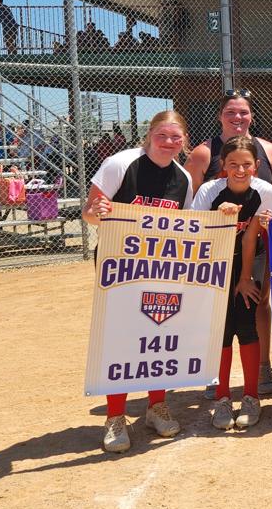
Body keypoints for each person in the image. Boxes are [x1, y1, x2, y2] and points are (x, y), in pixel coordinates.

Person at [81, 110, 195, 453]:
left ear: (184, 141)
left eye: (176, 137)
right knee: (121, 339)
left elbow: (185, 226)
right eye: (162, 135)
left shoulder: (183, 178)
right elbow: (89, 212)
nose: (169, 142)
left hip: (162, 267)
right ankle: (115, 416)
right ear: (149, 135)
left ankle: (156, 406)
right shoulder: (120, 164)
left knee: (159, 334)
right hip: (121, 266)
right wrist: (97, 213)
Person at [187, 90, 272, 398]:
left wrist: (268, 224)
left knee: (256, 304)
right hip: (216, 252)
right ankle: (214, 374)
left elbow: (263, 222)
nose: (237, 117)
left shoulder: (268, 163)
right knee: (215, 311)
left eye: (243, 112)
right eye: (230, 112)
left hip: (253, 250)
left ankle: (262, 369)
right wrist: (219, 216)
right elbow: (195, 222)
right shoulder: (205, 162)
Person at [192, 136, 272, 431]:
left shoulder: (264, 191)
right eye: (233, 164)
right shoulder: (210, 190)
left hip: (248, 262)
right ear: (223, 166)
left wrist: (244, 278)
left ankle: (251, 396)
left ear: (256, 165)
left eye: (246, 164)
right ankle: (223, 396)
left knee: (247, 323)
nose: (240, 170)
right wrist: (219, 217)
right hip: (216, 263)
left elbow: (253, 236)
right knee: (221, 329)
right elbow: (195, 233)